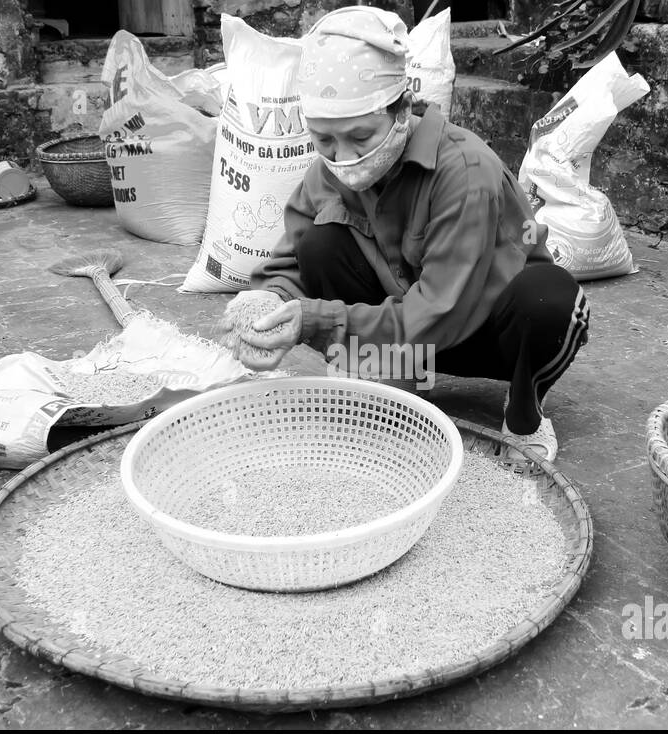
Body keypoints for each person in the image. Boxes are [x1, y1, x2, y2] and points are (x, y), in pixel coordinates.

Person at [221, 5, 589, 462]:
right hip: (405, 340)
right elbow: (292, 260)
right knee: (320, 242)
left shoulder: (464, 170)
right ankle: (390, 376)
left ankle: (524, 405)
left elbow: (440, 309)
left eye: (360, 136)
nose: (344, 156)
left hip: (485, 334)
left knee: (549, 302)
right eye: (324, 140)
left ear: (401, 110)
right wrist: (267, 302)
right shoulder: (328, 172)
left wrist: (313, 322)